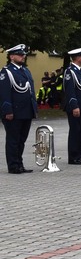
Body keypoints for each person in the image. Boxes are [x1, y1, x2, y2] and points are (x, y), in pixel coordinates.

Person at [1, 44, 37, 174]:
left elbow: (30, 92)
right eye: (20, 55)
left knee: (21, 140)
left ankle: (19, 164)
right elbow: (4, 93)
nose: (23, 57)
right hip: (14, 112)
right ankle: (13, 166)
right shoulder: (7, 72)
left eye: (23, 55)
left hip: (26, 111)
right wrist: (8, 111)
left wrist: (34, 109)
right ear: (12, 56)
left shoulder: (25, 71)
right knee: (13, 140)